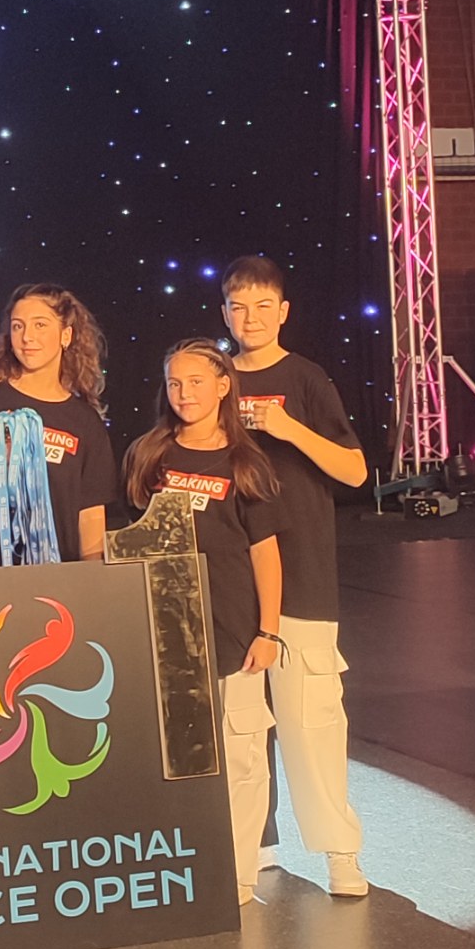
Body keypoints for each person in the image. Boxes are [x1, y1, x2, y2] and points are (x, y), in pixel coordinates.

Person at [221, 256, 369, 897]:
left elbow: (355, 471)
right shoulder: (212, 379)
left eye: (262, 306)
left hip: (302, 572)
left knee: (312, 721)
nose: (249, 318)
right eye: (238, 307)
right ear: (224, 313)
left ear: (283, 312)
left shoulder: (306, 379)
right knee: (240, 728)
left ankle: (340, 852)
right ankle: (250, 850)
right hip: (233, 579)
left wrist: (289, 428)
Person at [126, 339, 285, 906]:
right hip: (167, 632)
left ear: (222, 386)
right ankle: (188, 866)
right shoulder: (149, 454)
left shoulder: (246, 462)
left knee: (242, 756)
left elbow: (265, 553)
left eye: (196, 382)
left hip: (235, 629)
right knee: (179, 758)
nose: (184, 393)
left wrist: (268, 631)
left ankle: (239, 873)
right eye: (175, 383)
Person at [0, 283, 118, 566]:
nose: (28, 337)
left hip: (53, 581)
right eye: (18, 326)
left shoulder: (85, 422)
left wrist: (89, 582)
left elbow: (90, 517)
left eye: (40, 325)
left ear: (66, 335)